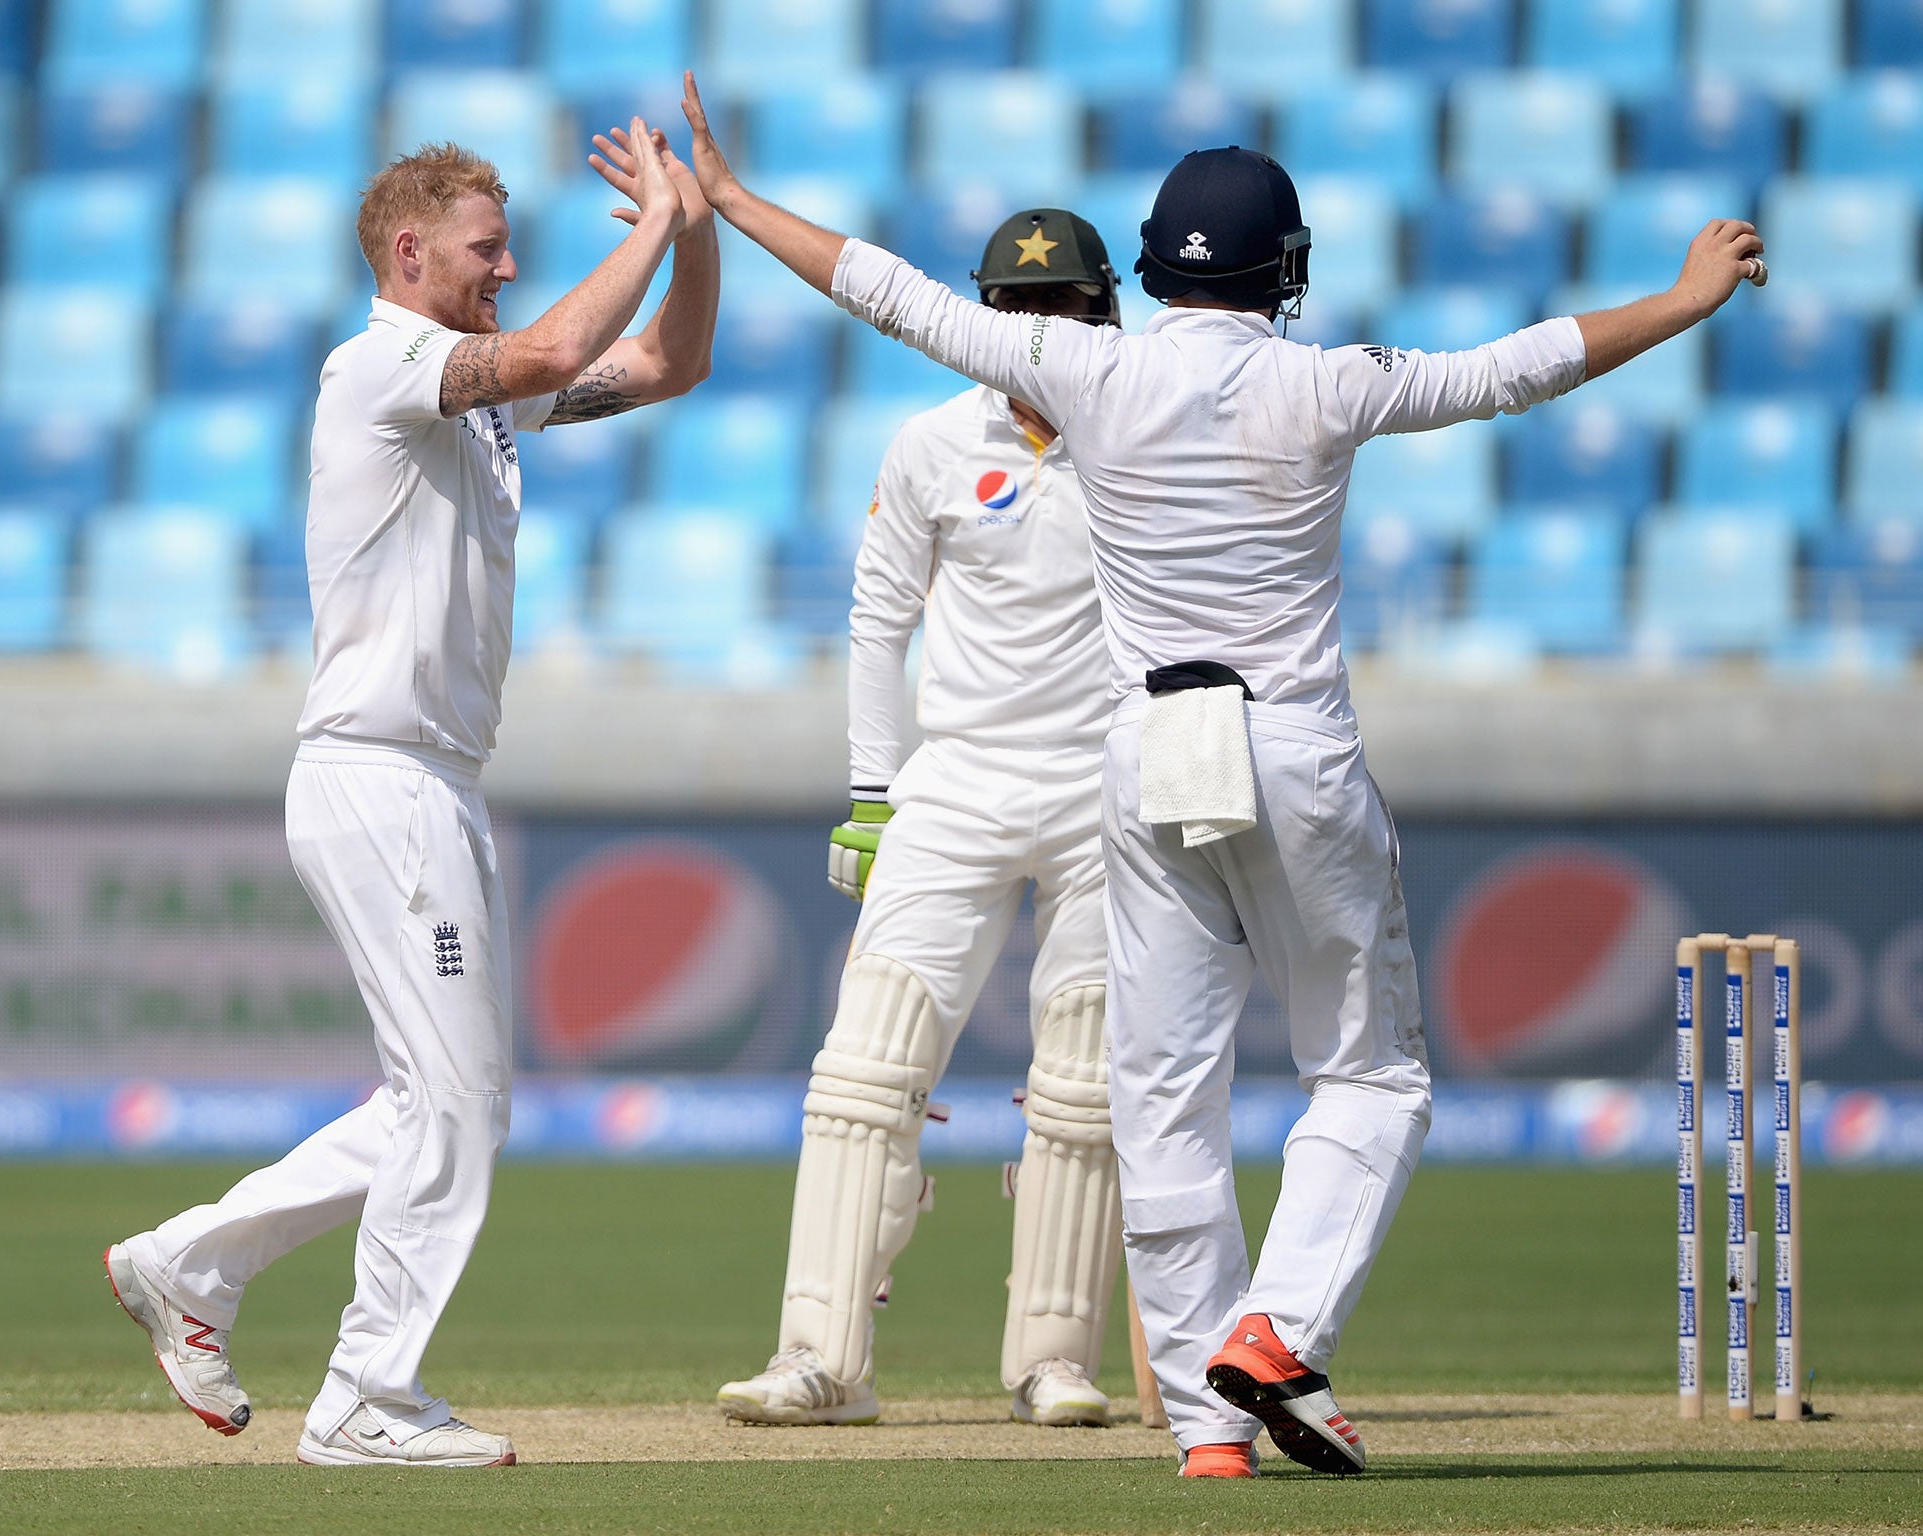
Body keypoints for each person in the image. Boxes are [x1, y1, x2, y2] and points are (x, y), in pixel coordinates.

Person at [672, 71, 1763, 1478]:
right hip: (1290, 746)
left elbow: (887, 292)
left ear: (1147, 267)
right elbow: (1519, 366)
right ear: (1283, 270)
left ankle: (1208, 1425)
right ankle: (1276, 1332)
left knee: (1157, 1092)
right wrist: (1682, 299)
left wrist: (735, 198)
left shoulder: (1087, 373)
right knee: (1368, 1075)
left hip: (1143, 757)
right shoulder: (1327, 381)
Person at [103, 125, 718, 1468]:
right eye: (486, 248)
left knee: (442, 1103)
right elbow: (553, 349)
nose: (507, 267)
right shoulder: (378, 363)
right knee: (452, 1102)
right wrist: (654, 226)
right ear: (408, 252)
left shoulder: (479, 398)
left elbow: (670, 364)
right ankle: (366, 1397)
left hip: (431, 784)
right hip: (380, 777)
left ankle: (189, 1265)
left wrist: (701, 223)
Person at [718, 210, 1126, 1430]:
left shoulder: (1146, 430)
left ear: (1103, 310)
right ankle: (820, 1361)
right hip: (955, 780)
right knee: (864, 1068)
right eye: (1014, 308)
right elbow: (877, 621)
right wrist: (868, 793)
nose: (1034, 330)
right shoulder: (932, 443)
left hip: (1106, 785)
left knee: (1085, 1082)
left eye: (1058, 307)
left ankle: (1053, 1361)